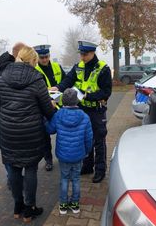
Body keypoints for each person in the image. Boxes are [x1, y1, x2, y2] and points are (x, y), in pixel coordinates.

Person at [0, 46, 56, 222]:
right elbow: (47, 111)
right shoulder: (37, 79)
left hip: (8, 133)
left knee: (13, 168)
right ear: (33, 61)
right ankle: (29, 209)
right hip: (31, 133)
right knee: (30, 169)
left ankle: (17, 206)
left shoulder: (2, 77)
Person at [50, 41, 112, 183]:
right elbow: (68, 80)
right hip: (82, 110)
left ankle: (100, 170)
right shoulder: (78, 67)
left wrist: (87, 96)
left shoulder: (103, 69)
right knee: (86, 139)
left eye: (85, 54)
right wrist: (58, 87)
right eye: (81, 54)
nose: (82, 57)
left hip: (97, 110)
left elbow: (106, 92)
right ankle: (88, 166)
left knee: (99, 140)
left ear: (92, 53)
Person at [46, 88, 93, 215]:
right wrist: (87, 151)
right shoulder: (84, 116)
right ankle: (75, 204)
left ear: (63, 101)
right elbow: (89, 137)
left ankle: (63, 205)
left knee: (64, 178)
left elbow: (50, 130)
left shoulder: (59, 114)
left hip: (63, 155)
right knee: (76, 179)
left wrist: (45, 119)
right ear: (77, 101)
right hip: (78, 154)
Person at [0, 42, 26, 190]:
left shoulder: (3, 64)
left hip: (1, 111)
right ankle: (12, 179)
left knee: (7, 149)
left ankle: (12, 177)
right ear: (18, 53)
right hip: (6, 113)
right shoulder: (8, 67)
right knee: (10, 151)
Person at [33, 44, 67, 171]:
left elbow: (65, 81)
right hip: (44, 107)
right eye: (42, 57)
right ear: (37, 58)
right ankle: (48, 160)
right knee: (44, 135)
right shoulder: (35, 70)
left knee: (63, 132)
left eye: (46, 56)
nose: (45, 60)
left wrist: (58, 88)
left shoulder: (57, 66)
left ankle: (64, 157)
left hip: (60, 106)